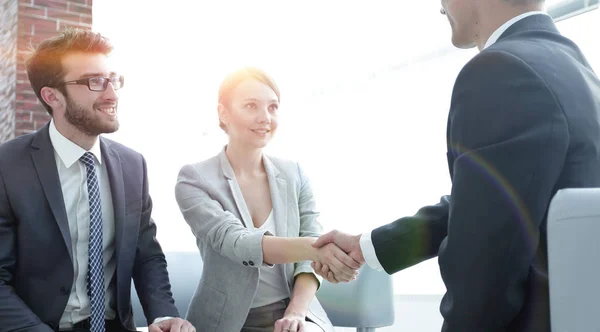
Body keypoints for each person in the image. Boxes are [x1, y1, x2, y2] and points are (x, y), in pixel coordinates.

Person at [312, 1, 600, 331]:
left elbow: (484, 270)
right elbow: (503, 201)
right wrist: (369, 246)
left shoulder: (501, 69)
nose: (440, 8)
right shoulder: (576, 68)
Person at [0, 29, 195, 332]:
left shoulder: (133, 165)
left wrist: (162, 315)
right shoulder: (8, 165)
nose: (112, 94)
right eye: (95, 82)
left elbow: (146, 255)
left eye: (113, 79)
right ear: (52, 96)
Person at [175, 67, 359, 332]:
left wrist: (295, 314)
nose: (265, 118)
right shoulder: (194, 179)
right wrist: (319, 248)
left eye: (273, 107)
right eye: (251, 106)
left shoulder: (294, 173)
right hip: (226, 321)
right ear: (223, 114)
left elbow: (307, 257)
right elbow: (237, 243)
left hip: (294, 311)